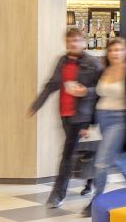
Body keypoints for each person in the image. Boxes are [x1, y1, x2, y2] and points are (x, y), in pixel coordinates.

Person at [30, 28, 100, 208]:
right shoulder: (62, 61)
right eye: (70, 41)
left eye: (77, 40)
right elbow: (52, 85)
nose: (73, 44)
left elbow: (101, 89)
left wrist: (86, 92)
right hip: (65, 114)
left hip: (81, 116)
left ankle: (58, 195)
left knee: (67, 155)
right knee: (76, 149)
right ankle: (90, 180)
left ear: (83, 42)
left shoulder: (92, 63)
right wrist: (37, 104)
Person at [83, 37, 126, 216]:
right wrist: (89, 124)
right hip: (103, 118)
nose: (115, 53)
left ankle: (96, 201)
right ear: (107, 53)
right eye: (112, 50)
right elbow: (96, 98)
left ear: (125, 52)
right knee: (117, 157)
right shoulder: (104, 71)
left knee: (101, 162)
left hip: (118, 120)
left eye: (119, 50)